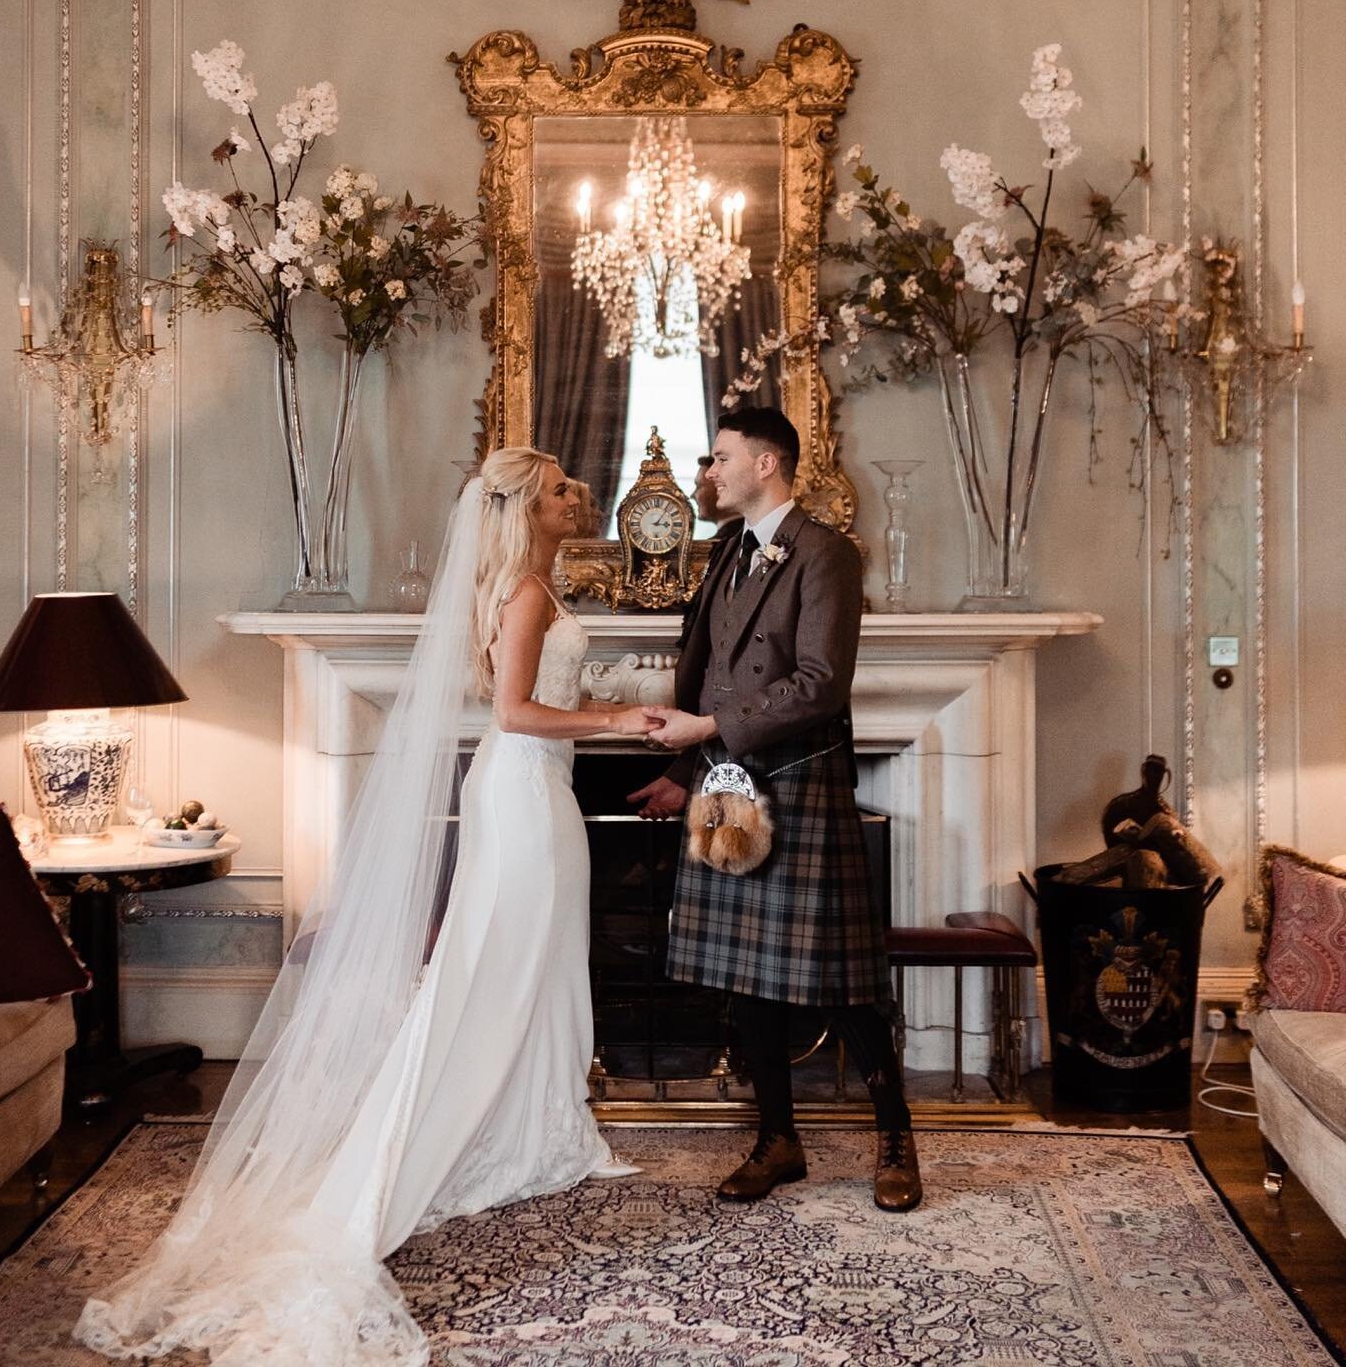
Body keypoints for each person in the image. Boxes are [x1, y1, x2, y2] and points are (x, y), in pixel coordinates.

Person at [77, 448, 654, 1365]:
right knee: (492, 974)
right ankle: (442, 1140)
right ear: (523, 511)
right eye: (558, 489)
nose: (576, 494)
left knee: (531, 966)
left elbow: (542, 693)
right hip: (526, 796)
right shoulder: (526, 596)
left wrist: (612, 702)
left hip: (537, 796)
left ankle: (538, 1129)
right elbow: (512, 715)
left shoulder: (529, 588)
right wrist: (619, 722)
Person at [627, 407, 920, 1209]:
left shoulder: (827, 554)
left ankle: (895, 1136)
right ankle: (777, 1139)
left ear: (766, 463)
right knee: (745, 974)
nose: (707, 473)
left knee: (841, 977)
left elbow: (821, 682)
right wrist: (689, 767)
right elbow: (708, 669)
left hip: (797, 782)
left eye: (719, 459)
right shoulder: (724, 552)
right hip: (726, 784)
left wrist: (713, 730)